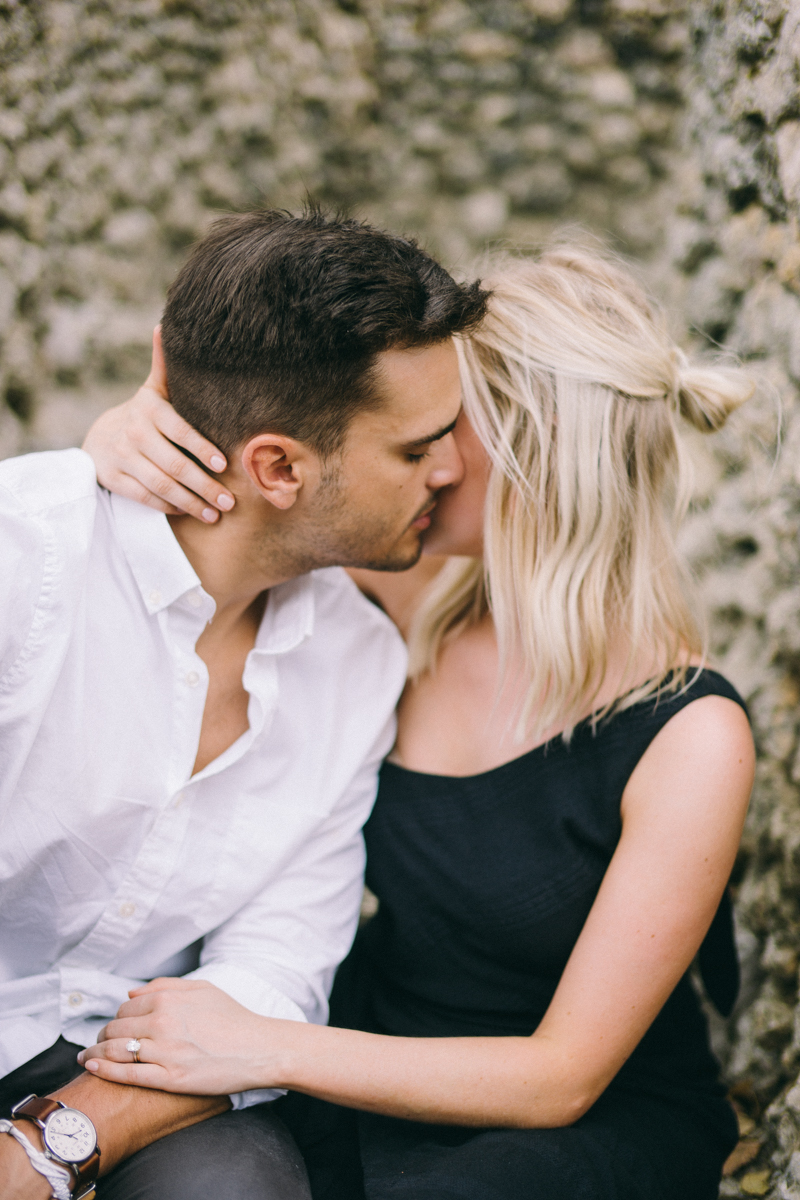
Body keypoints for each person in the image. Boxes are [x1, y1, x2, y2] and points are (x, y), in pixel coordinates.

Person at [78, 245, 756, 1200]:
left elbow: (561, 1077)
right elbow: (252, 486)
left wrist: (269, 1045)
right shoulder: (408, 598)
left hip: (557, 1126)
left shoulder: (687, 736)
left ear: (535, 453)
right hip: (365, 1060)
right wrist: (119, 440)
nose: (421, 455)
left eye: (443, 428)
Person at [0, 207, 488, 1200]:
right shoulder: (25, 564)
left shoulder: (356, 656)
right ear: (275, 467)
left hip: (140, 1068)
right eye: (415, 448)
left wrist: (63, 1141)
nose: (451, 468)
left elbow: (285, 950)